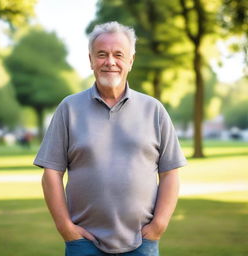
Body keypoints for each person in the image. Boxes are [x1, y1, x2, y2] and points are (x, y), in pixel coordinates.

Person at [34, 21, 187, 256]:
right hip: (83, 244)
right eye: (102, 54)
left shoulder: (154, 110)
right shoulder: (69, 108)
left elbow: (169, 173)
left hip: (141, 243)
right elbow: (51, 173)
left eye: (118, 54)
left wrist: (159, 225)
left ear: (131, 61)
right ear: (91, 60)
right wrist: (65, 227)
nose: (110, 62)